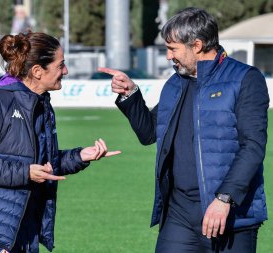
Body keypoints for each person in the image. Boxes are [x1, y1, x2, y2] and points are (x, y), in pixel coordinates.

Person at [99, 7, 269, 253]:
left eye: (172, 48)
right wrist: (131, 95)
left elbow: (253, 147)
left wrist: (224, 199)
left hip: (229, 214)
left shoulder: (245, 79)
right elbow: (149, 133)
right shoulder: (175, 83)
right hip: (178, 215)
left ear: (197, 45)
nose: (168, 56)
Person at [0, 31, 120, 253]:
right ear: (38, 71)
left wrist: (79, 156)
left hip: (24, 220)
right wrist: (26, 173)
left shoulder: (40, 104)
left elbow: (40, 164)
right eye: (61, 65)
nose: (66, 71)